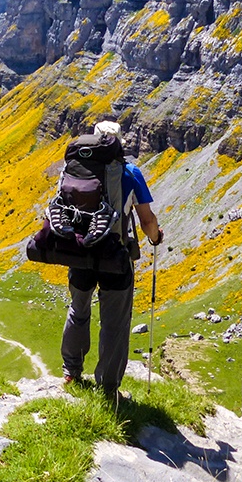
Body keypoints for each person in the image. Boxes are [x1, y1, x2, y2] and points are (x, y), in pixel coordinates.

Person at [60, 120, 163, 401]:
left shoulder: (76, 168)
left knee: (78, 310)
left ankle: (71, 371)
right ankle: (107, 389)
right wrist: (156, 237)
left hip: (80, 252)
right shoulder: (130, 173)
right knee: (114, 323)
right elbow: (146, 220)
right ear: (119, 143)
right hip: (115, 256)